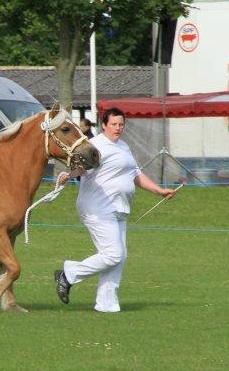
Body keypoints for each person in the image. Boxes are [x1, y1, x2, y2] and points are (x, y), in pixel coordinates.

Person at [53, 108, 175, 312]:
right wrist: (69, 174)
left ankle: (107, 304)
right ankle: (68, 274)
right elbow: (83, 168)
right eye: (114, 124)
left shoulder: (123, 146)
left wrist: (158, 190)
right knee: (113, 255)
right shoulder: (96, 145)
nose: (118, 128)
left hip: (119, 207)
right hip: (98, 206)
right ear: (104, 125)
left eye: (121, 124)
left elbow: (135, 174)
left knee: (119, 257)